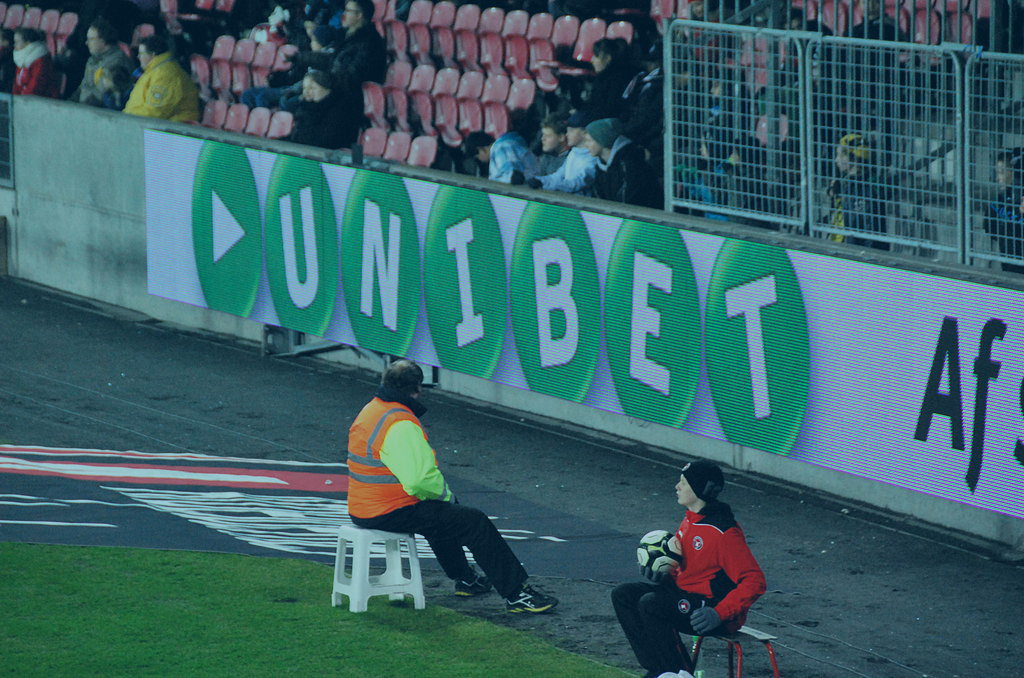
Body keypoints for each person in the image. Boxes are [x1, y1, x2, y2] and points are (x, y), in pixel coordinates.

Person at [347, 359, 559, 614]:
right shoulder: (400, 423)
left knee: (442, 515)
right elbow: (419, 481)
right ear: (418, 388)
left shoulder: (372, 410)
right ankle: (516, 594)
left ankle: (466, 579)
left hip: (363, 506)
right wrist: (447, 497)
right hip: (389, 509)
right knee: (472, 521)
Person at [611, 460, 766, 678]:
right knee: (623, 595)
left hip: (710, 609)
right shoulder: (691, 520)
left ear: (699, 488)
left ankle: (680, 673)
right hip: (686, 597)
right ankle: (658, 671)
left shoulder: (724, 532)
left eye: (683, 482)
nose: (677, 487)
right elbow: (692, 571)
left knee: (651, 604)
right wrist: (663, 576)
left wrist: (719, 613)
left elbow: (755, 581)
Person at [827, 132, 889, 250]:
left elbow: (868, 226)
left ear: (853, 159)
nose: (836, 160)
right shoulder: (846, 183)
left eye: (840, 155)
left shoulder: (866, 188)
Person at [584, 117, 662, 208]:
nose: (586, 145)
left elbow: (628, 202)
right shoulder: (601, 165)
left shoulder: (631, 164)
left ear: (603, 140)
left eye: (589, 141)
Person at [123, 35, 200, 122]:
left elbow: (156, 112)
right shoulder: (153, 71)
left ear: (152, 54)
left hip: (172, 130)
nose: (138, 57)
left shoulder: (166, 75)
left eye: (141, 53)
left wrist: (127, 118)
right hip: (144, 125)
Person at [527, 109, 599, 196]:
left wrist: (545, 184)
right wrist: (538, 180)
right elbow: (558, 176)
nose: (567, 134)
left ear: (584, 132)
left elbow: (577, 183)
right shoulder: (573, 153)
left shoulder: (593, 157)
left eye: (571, 130)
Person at [289, 69, 362, 149]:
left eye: (312, 88)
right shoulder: (304, 106)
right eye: (304, 88)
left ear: (327, 89)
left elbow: (325, 141)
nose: (306, 92)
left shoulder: (341, 109)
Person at [72, 18, 135, 107]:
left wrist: (79, 110)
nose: (86, 43)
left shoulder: (117, 62)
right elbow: (82, 88)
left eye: (91, 39)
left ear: (103, 40)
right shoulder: (92, 60)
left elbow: (101, 95)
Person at [984, 148, 1024, 274]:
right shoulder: (1001, 199)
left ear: (1014, 172)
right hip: (1008, 265)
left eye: (1001, 172)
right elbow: (989, 227)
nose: (997, 178)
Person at [12, 28, 60, 98]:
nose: (14, 45)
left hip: (41, 100)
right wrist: (14, 98)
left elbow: (37, 84)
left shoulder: (41, 59)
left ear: (28, 43)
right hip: (22, 99)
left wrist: (22, 100)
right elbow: (16, 82)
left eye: (17, 41)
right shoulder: (21, 57)